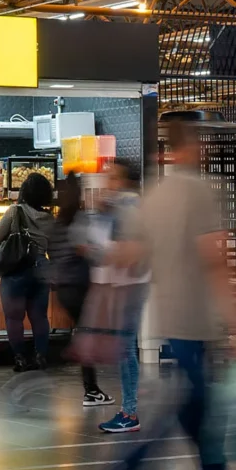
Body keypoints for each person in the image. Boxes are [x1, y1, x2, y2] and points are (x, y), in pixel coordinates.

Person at [87, 119, 236, 470]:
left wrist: (101, 320)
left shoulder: (152, 196)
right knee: (180, 412)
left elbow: (125, 257)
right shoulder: (203, 191)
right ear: (189, 147)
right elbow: (215, 261)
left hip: (168, 320)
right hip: (197, 323)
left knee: (199, 411)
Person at [90, 160, 147, 433]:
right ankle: (128, 409)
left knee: (125, 348)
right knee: (125, 347)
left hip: (129, 284)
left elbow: (126, 250)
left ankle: (130, 412)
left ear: (123, 179)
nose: (106, 182)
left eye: (111, 177)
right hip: (128, 283)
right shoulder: (124, 205)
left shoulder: (128, 205)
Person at [46, 176, 112, 406]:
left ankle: (91, 387)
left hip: (64, 288)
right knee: (87, 335)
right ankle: (90, 388)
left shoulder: (56, 223)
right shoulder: (79, 219)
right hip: (80, 285)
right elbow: (86, 250)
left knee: (85, 333)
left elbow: (52, 253)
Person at [0, 172, 58, 371]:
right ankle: (41, 357)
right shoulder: (49, 218)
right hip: (40, 268)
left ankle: (20, 358)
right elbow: (52, 250)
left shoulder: (14, 211)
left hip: (16, 269)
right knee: (40, 317)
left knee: (14, 318)